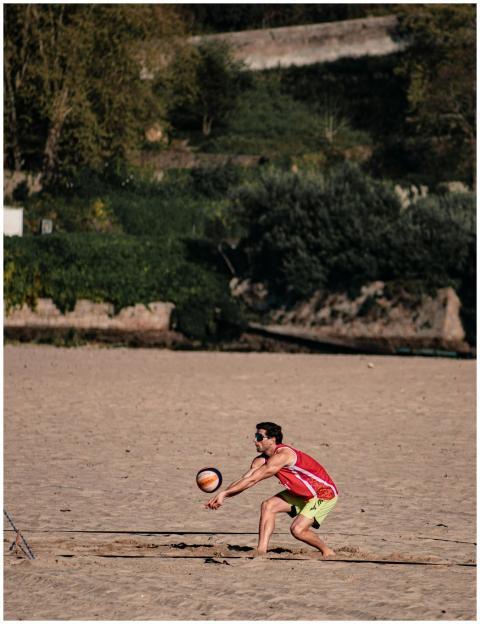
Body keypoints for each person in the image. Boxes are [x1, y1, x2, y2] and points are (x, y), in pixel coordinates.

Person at [206, 421, 338, 557]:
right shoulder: (261, 460)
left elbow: (253, 480)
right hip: (302, 494)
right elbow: (245, 479)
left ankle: (327, 551)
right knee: (268, 506)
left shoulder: (283, 456)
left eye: (259, 437)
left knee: (297, 530)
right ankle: (261, 551)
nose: (254, 440)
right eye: (255, 436)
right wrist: (223, 495)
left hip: (323, 493)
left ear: (272, 440)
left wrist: (225, 493)